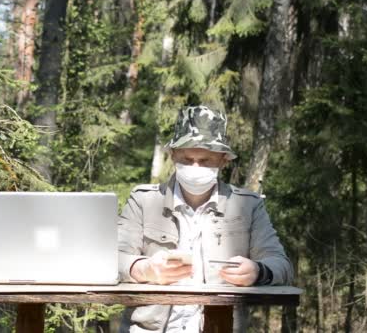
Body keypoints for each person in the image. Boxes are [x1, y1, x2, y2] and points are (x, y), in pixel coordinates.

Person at [117, 104, 293, 332]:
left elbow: (282, 265)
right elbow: (111, 257)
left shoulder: (248, 206)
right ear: (173, 156)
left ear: (223, 160)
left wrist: (258, 272)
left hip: (219, 327)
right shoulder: (144, 201)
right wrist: (143, 269)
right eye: (187, 159)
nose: (195, 167)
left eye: (206, 160)